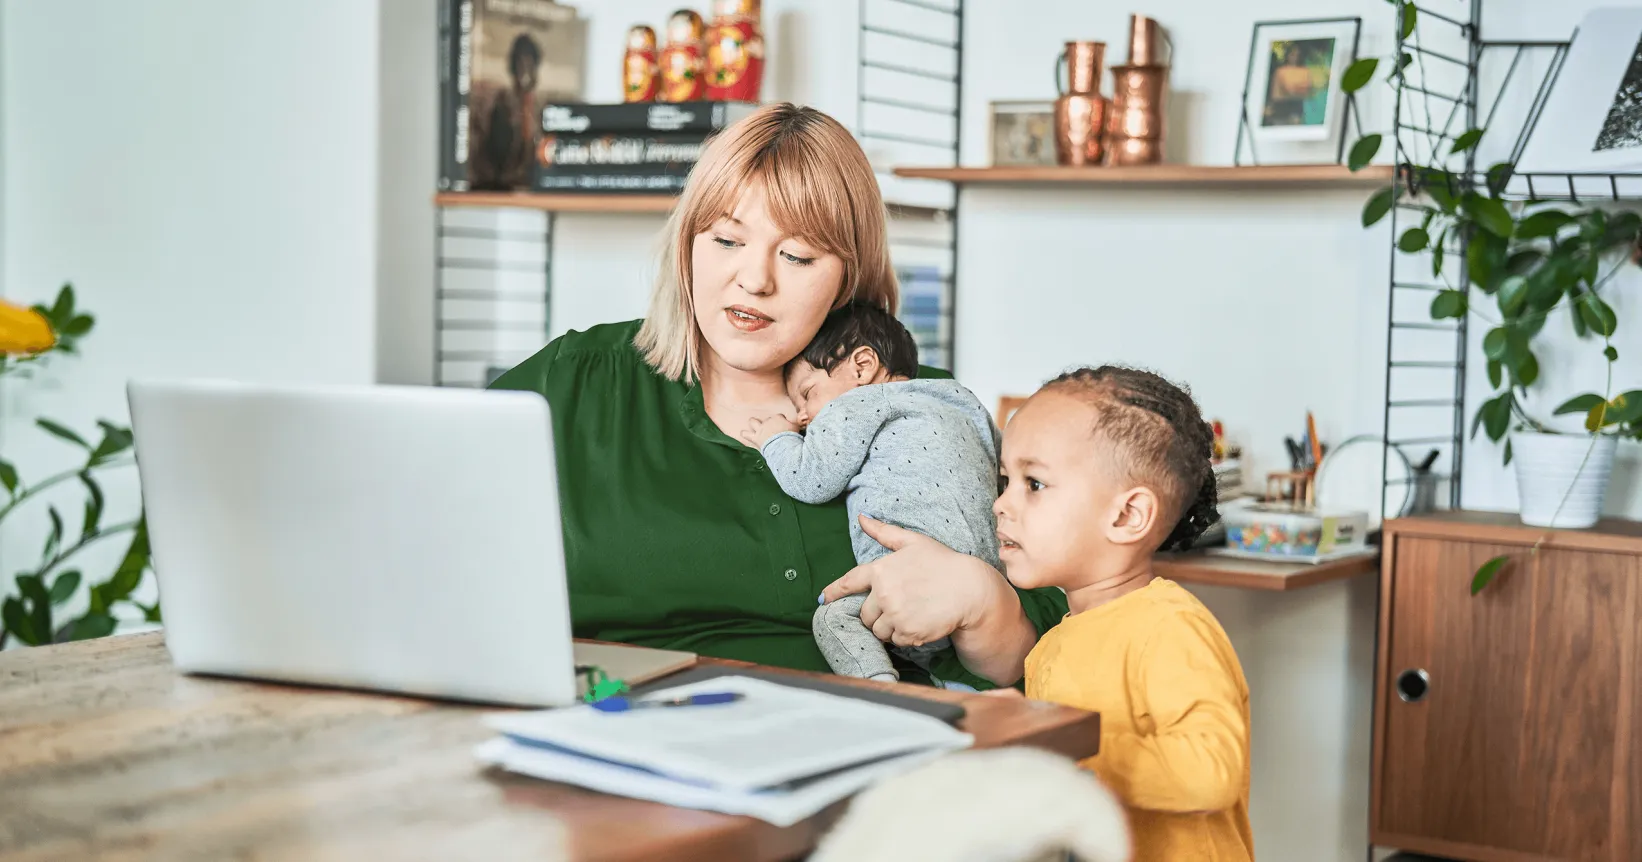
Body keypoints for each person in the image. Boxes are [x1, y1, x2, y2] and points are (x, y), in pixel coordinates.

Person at [488, 103, 1066, 689]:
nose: (755, 280)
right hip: (626, 726)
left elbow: (1032, 663)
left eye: (796, 256)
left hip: (878, 735)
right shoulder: (576, 380)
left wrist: (984, 600)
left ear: (849, 273)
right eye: (726, 240)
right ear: (688, 244)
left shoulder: (921, 405)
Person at [987, 366, 1254, 861]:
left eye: (1035, 484)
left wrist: (1059, 740)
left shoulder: (1169, 628)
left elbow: (1211, 771)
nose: (1002, 503)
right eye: (1006, 480)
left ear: (1128, 516)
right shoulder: (1056, 642)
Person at [738, 302, 1000, 684]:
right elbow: (998, 464)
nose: (802, 415)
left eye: (807, 394)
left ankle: (879, 686)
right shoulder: (960, 399)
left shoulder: (853, 404)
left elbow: (811, 480)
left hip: (907, 584)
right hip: (983, 581)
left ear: (862, 366)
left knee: (832, 617)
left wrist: (775, 437)